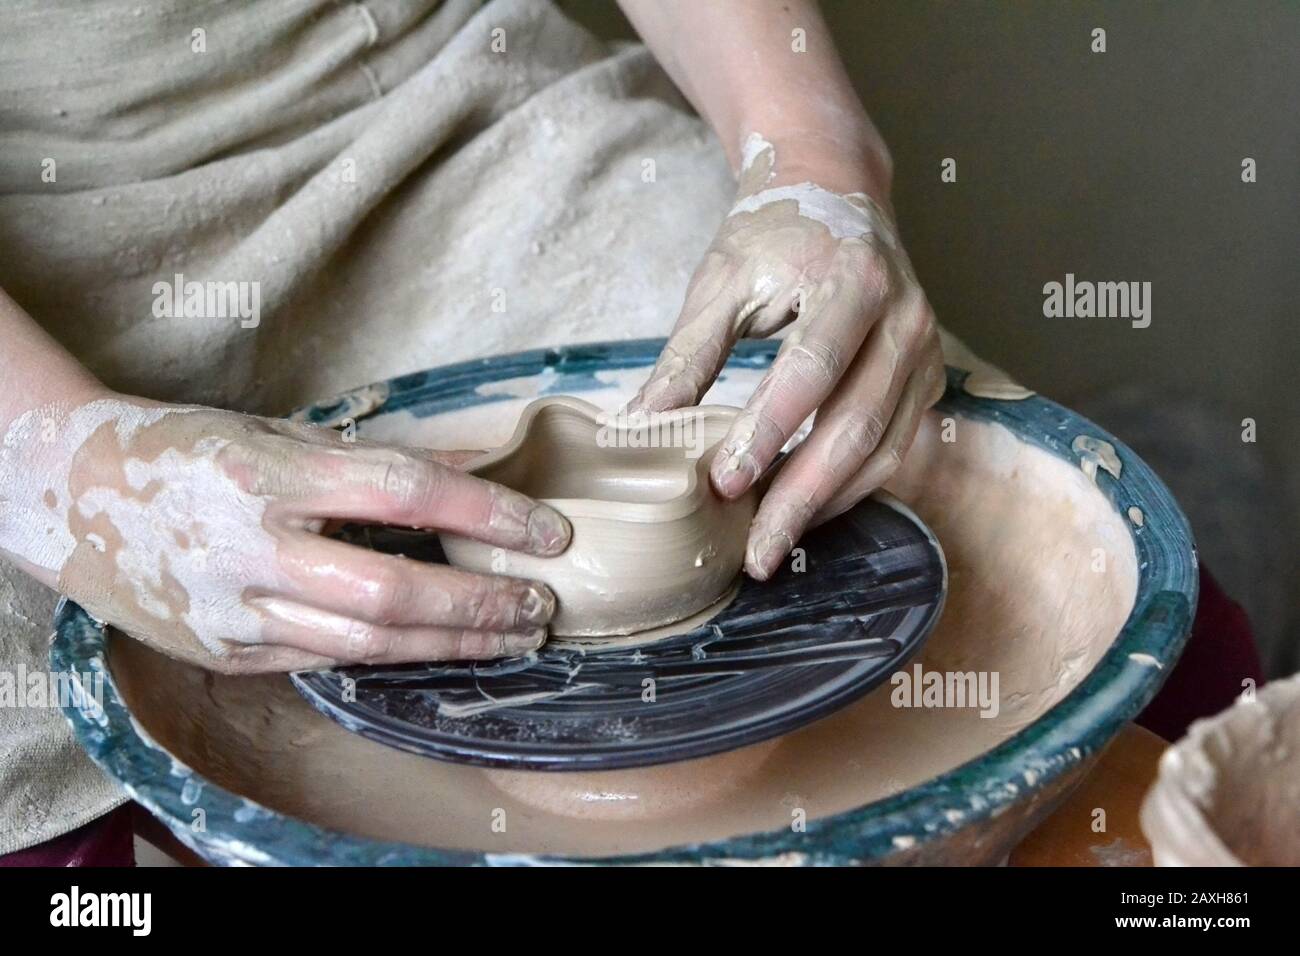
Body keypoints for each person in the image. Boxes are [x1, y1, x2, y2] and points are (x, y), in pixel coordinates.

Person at [0, 0, 1260, 865]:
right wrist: (62, 468)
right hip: (44, 268)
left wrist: (812, 156)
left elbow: (805, 168)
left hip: (456, 118)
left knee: (1103, 618)